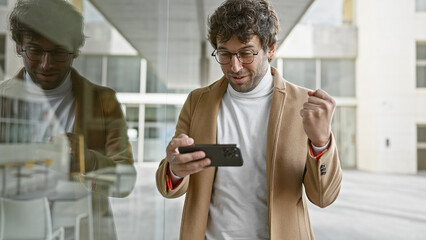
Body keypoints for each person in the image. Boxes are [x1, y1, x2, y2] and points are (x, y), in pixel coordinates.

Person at [156, 0, 342, 239]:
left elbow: (324, 197)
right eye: (224, 54)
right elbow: (168, 188)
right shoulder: (197, 102)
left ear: (270, 49)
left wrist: (321, 142)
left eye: (246, 53)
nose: (235, 66)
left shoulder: (304, 105)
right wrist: (174, 169)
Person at [0, 0, 136, 239]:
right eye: (34, 51)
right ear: (18, 48)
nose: (46, 64)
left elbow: (125, 181)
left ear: (75, 50)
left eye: (58, 52)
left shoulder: (103, 101)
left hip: (84, 231)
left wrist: (89, 161)